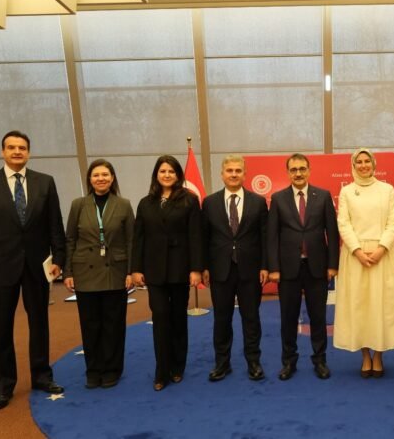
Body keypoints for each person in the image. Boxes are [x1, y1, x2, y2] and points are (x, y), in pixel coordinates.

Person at [0, 130, 66, 410]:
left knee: (40, 325)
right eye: (11, 147)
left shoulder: (45, 182)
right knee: (1, 329)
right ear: (3, 152)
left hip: (36, 267)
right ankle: (3, 386)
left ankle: (42, 377)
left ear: (28, 152)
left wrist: (59, 258)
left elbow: (55, 224)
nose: (17, 152)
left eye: (22, 148)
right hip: (0, 270)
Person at [334, 148, 394, 378]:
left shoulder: (387, 190)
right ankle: (365, 356)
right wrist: (357, 251)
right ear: (353, 165)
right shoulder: (347, 191)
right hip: (354, 256)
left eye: (367, 161)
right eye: (359, 162)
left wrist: (380, 249)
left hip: (383, 255)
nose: (363, 165)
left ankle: (378, 355)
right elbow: (343, 223)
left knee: (381, 306)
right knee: (360, 306)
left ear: (374, 164)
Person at [131, 155, 203, 391]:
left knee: (178, 318)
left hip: (180, 269)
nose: (167, 175)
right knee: (160, 317)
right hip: (154, 271)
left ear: (178, 175)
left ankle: (177, 367)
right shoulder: (145, 203)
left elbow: (195, 236)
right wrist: (136, 269)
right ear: (156, 175)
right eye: (162, 171)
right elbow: (138, 238)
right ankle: (161, 371)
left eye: (171, 171)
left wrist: (196, 269)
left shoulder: (189, 200)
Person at [63, 159, 134, 389]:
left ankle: (112, 369)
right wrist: (68, 271)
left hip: (116, 271)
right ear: (90, 179)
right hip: (85, 272)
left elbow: (131, 240)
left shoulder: (123, 205)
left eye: (105, 175)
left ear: (112, 178)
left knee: (113, 324)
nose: (100, 179)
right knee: (90, 324)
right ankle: (93, 370)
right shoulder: (78, 205)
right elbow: (70, 239)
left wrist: (131, 271)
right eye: (96, 175)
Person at [267, 153, 339, 381]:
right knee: (288, 318)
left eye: (302, 169)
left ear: (309, 170)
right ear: (288, 172)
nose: (298, 173)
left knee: (318, 317)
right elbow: (272, 236)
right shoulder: (278, 198)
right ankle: (289, 362)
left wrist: (332, 265)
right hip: (287, 269)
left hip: (317, 267)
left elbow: (332, 233)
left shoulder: (323, 196)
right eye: (293, 169)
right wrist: (274, 268)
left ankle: (320, 361)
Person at [202, 155, 268, 381]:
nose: (233, 174)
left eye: (238, 170)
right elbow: (204, 237)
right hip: (220, 270)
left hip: (250, 269)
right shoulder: (209, 203)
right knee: (222, 319)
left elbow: (265, 237)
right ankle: (222, 364)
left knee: (251, 319)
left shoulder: (258, 202)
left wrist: (265, 266)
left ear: (245, 174)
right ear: (222, 174)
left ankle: (254, 362)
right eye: (229, 170)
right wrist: (204, 266)